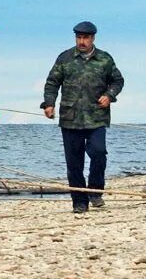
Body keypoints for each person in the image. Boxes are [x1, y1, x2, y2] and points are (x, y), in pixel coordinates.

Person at [41, 21, 124, 214]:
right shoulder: (65, 58)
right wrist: (49, 103)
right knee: (74, 163)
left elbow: (118, 80)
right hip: (70, 118)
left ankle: (95, 191)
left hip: (96, 118)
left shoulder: (104, 59)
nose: (82, 41)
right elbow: (52, 83)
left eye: (85, 38)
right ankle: (79, 201)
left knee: (99, 152)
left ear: (93, 38)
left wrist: (110, 95)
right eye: (79, 37)